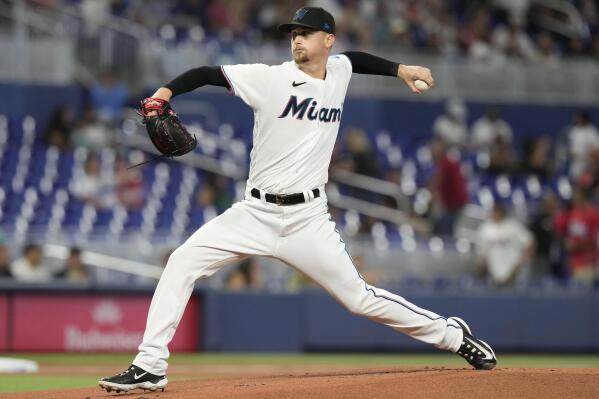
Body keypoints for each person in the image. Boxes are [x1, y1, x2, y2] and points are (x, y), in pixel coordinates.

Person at [99, 7, 496, 394]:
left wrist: (401, 69)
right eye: (293, 34)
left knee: (359, 299)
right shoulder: (269, 79)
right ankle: (150, 366)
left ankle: (452, 335)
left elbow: (354, 60)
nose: (296, 40)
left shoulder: (338, 71)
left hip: (308, 219)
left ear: (327, 40)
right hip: (255, 212)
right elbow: (207, 73)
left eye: (304, 34)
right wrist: (163, 93)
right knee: (182, 262)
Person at [477, 204, 535, 287]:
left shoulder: (513, 226)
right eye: (494, 212)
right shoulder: (486, 228)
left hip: (514, 271)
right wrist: (482, 268)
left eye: (498, 212)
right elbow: (482, 252)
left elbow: (530, 241)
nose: (496, 214)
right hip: (494, 273)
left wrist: (523, 260)